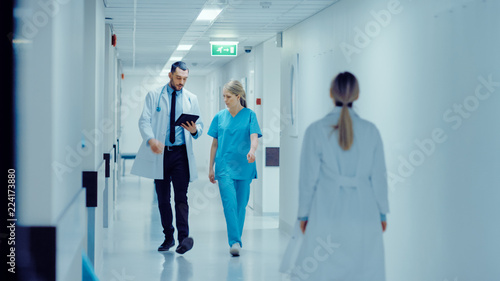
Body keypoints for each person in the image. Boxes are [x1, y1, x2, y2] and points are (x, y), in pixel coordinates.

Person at [284, 72, 389, 280]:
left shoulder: (315, 130)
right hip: (364, 212)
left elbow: (308, 180)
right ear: (357, 95)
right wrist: (382, 213)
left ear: (331, 94)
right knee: (363, 270)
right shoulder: (371, 131)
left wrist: (303, 215)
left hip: (325, 210)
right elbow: (379, 177)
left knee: (324, 269)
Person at [131, 61, 203, 254]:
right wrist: (151, 139)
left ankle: (183, 239)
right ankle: (168, 237)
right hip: (161, 153)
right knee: (163, 198)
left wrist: (195, 130)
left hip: (181, 154)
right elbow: (144, 120)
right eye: (178, 78)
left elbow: (200, 126)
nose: (181, 82)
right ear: (170, 75)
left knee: (181, 198)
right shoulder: (154, 96)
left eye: (185, 79)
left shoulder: (191, 98)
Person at [207, 80, 262, 257]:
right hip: (224, 167)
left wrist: (252, 151)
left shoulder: (250, 115)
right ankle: (235, 241)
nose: (225, 99)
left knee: (241, 205)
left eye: (228, 96)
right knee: (229, 204)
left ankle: (236, 238)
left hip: (245, 166)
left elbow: (254, 137)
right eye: (224, 96)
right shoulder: (219, 117)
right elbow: (214, 144)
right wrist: (210, 167)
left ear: (238, 97)